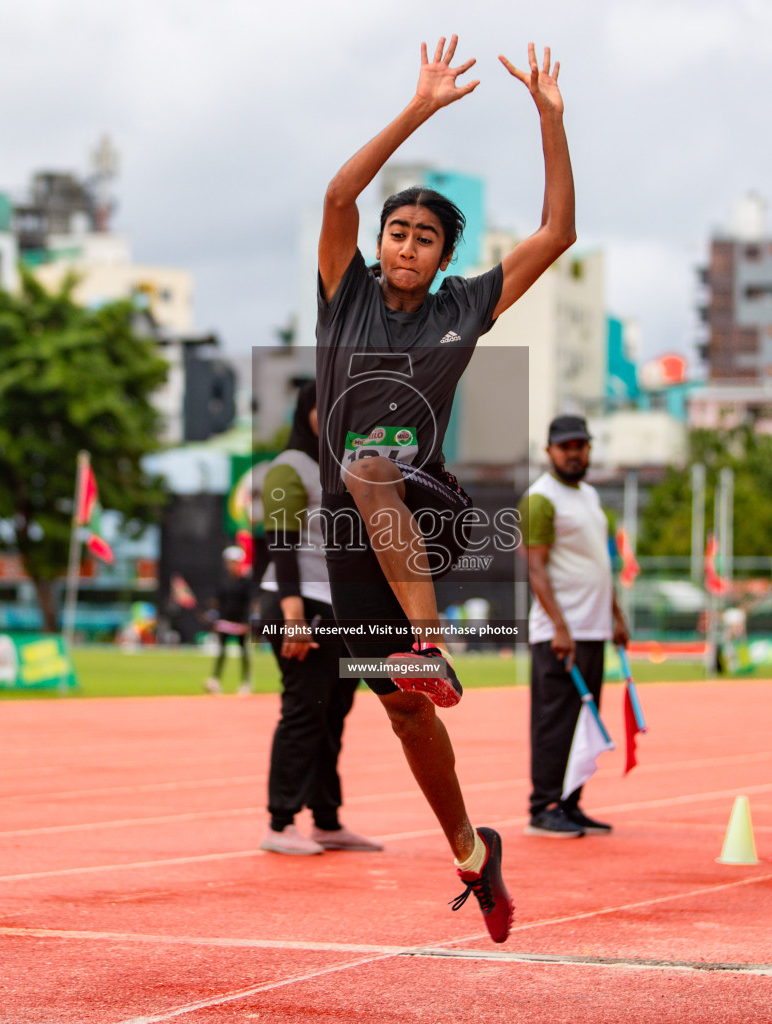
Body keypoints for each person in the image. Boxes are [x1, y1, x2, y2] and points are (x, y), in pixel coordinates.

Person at [314, 36, 575, 943]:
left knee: (370, 466)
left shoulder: (467, 306)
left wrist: (550, 118)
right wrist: (419, 108)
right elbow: (339, 195)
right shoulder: (342, 292)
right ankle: (472, 851)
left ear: (444, 253)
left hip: (429, 508)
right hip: (351, 535)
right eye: (398, 231)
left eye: (425, 236)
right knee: (401, 710)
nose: (406, 244)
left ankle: (429, 637)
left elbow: (557, 233)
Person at [258, 383, 381, 855]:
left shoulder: (345, 469)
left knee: (333, 716)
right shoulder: (290, 467)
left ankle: (326, 820)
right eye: (323, 406)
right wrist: (293, 616)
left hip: (340, 609)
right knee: (304, 713)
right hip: (300, 605)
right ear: (307, 411)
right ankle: (279, 821)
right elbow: (282, 545)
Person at [520, 415, 629, 838]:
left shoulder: (589, 496)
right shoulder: (540, 499)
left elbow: (601, 566)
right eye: (565, 446)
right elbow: (536, 568)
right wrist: (559, 627)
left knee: (585, 721)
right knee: (554, 720)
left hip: (594, 628)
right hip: (559, 634)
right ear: (549, 451)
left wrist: (615, 616)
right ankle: (543, 806)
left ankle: (570, 803)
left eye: (580, 445)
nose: (574, 453)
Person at [205, 547, 253, 695]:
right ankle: (215, 680)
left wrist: (247, 621)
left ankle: (246, 682)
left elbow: (248, 602)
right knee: (221, 651)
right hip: (224, 621)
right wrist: (215, 617)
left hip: (240, 622)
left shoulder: (245, 582)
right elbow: (217, 601)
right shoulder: (222, 581)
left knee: (244, 651)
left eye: (235, 562)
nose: (232, 565)